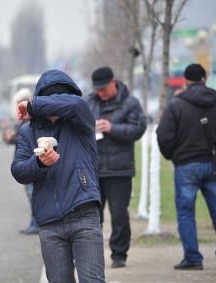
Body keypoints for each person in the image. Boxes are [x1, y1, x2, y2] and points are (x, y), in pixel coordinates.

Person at [11, 69, 105, 283]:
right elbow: (18, 171)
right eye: (49, 99)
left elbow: (74, 104)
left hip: (84, 214)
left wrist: (33, 105)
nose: (56, 105)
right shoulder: (28, 131)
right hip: (49, 222)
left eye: (60, 98)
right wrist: (39, 163)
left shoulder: (80, 119)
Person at [156, 63, 216, 270]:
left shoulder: (175, 105)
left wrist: (174, 156)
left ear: (185, 81)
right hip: (215, 166)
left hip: (186, 165)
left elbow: (163, 135)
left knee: (186, 213)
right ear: (205, 78)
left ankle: (193, 258)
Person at [84, 66, 146, 268]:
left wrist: (112, 128)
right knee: (92, 216)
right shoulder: (89, 102)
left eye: (104, 89)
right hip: (93, 169)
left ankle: (119, 254)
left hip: (120, 170)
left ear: (113, 83)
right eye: (97, 90)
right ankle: (92, 255)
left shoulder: (130, 103)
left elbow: (138, 129)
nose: (100, 93)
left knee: (119, 215)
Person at [3, 88, 40, 235]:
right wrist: (11, 138)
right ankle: (34, 222)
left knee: (33, 195)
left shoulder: (32, 119)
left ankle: (36, 223)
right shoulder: (23, 119)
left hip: (32, 163)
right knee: (31, 194)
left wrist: (14, 138)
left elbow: (31, 139)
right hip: (25, 163)